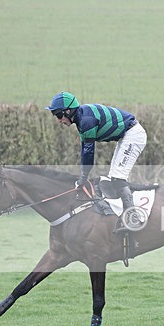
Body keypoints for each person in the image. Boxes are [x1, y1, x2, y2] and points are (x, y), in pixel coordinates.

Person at [47, 91, 147, 230]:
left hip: (133, 135)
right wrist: (83, 177)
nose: (59, 121)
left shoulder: (86, 121)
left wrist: (83, 178)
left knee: (118, 178)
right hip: (127, 135)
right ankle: (122, 213)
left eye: (59, 115)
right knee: (114, 178)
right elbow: (85, 150)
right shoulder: (81, 120)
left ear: (68, 111)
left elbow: (89, 153)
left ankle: (133, 218)